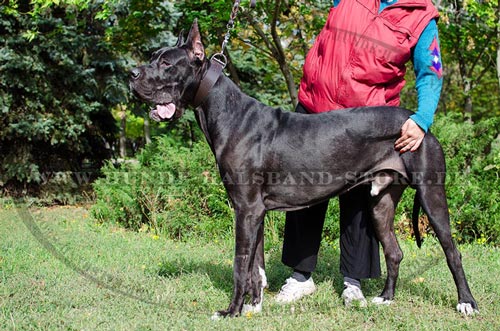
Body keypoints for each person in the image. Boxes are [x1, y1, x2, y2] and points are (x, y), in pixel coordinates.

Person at [275, 0, 443, 307]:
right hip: (315, 105)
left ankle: (353, 281)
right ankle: (301, 277)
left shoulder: (421, 18)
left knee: (359, 202)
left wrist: (422, 119)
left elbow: (430, 72)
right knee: (303, 189)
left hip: (365, 123)